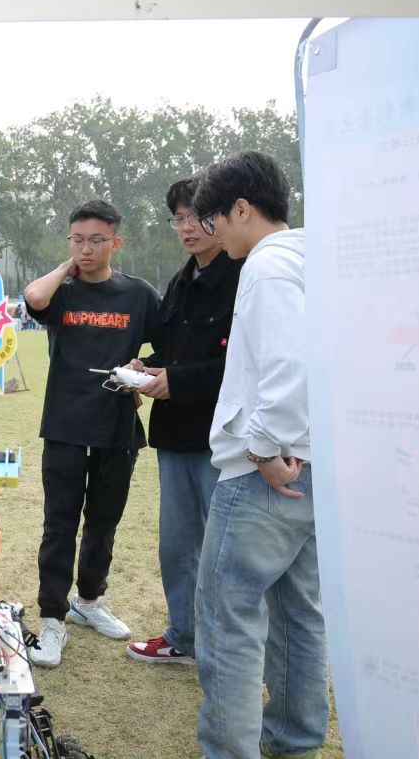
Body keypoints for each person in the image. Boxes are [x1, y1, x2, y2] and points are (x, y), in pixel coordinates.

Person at [190, 151, 325, 759]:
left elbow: (288, 366)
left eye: (214, 220)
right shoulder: (315, 258)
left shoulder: (268, 266)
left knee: (228, 618)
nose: (213, 235)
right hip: (315, 467)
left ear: (241, 209)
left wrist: (265, 445)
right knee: (299, 612)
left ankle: (230, 749)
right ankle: (295, 738)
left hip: (264, 473)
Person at [22, 200, 159, 668]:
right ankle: (52, 619)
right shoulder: (62, 292)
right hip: (64, 425)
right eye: (77, 240)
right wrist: (68, 267)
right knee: (59, 523)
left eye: (96, 240)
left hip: (117, 427)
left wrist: (142, 369)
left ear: (115, 242)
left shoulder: (138, 295)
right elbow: (34, 298)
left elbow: (170, 346)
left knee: (104, 521)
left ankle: (88, 601)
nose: (86, 248)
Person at [125, 178, 243, 667]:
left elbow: (242, 365)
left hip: (222, 441)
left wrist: (176, 379)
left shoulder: (243, 277)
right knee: (177, 546)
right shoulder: (179, 282)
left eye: (197, 216)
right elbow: (173, 353)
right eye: (179, 218)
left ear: (222, 216)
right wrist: (145, 369)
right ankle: (184, 636)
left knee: (225, 551)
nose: (188, 227)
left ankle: (227, 650)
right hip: (174, 437)